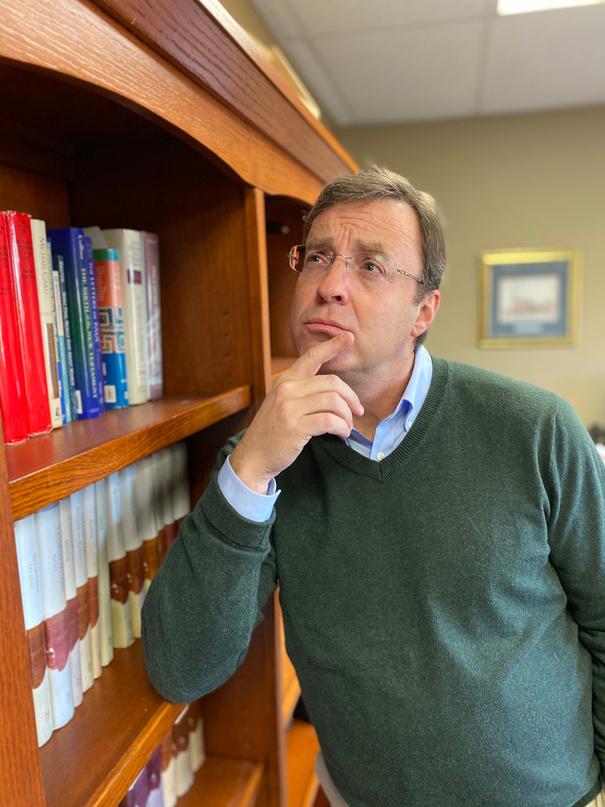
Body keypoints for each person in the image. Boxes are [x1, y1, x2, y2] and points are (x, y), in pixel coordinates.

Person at [142, 167, 605, 807]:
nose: (329, 286)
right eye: (317, 258)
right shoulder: (263, 461)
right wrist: (248, 471)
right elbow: (181, 668)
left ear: (423, 311)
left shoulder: (535, 429)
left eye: (370, 266)